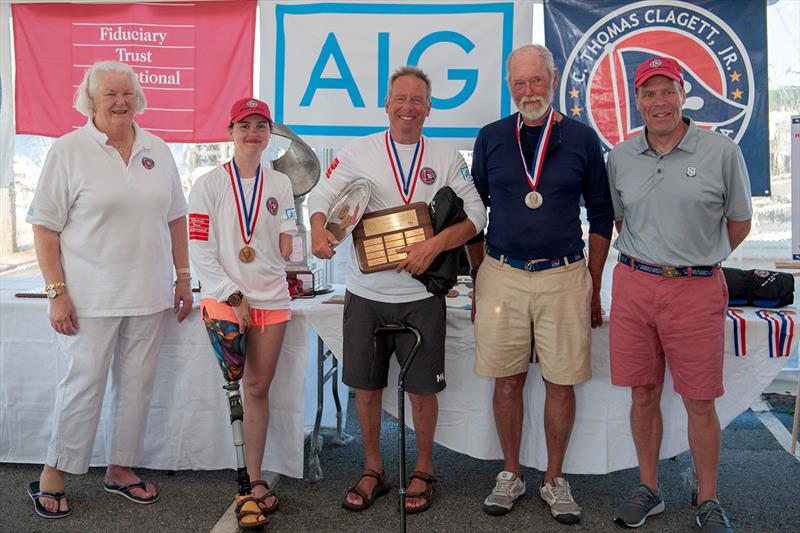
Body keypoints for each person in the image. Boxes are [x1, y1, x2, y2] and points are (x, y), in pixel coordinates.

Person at [308, 66, 486, 514]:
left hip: (422, 296)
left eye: (417, 100)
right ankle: (373, 470)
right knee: (366, 390)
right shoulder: (358, 151)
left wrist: (434, 246)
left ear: (428, 107)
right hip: (366, 292)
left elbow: (477, 216)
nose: (408, 107)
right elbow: (319, 199)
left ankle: (423, 469)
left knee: (423, 390)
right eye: (400, 99)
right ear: (387, 105)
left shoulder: (445, 155)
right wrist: (317, 233)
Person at [25, 60, 192, 518]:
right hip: (89, 298)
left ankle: (120, 469)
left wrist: (182, 276)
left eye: (127, 94)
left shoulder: (157, 148)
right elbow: (44, 228)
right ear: (90, 101)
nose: (120, 102)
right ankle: (52, 476)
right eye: (109, 95)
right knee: (82, 386)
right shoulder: (68, 150)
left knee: (137, 387)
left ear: (138, 99)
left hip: (150, 292)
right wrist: (56, 291)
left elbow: (176, 218)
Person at [470, 44, 613, 524]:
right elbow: (474, 214)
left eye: (537, 81)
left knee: (561, 380)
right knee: (507, 380)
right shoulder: (490, 138)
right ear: (509, 86)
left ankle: (554, 478)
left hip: (565, 274)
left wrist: (592, 284)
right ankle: (511, 473)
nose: (528, 91)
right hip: (502, 274)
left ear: (552, 79)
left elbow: (601, 213)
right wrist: (477, 279)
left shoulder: (582, 138)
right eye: (519, 83)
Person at [607, 57, 751, 533]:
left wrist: (698, 257)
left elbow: (740, 220)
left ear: (683, 93)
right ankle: (649, 489)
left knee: (700, 399)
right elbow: (621, 220)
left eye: (667, 91)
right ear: (638, 101)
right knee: (643, 391)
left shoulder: (721, 151)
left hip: (696, 287)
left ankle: (707, 499)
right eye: (648, 94)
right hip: (634, 283)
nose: (658, 102)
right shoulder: (621, 158)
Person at [188, 97, 297, 528]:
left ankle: (254, 479)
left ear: (270, 134)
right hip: (225, 300)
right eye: (244, 125)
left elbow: (288, 235)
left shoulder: (281, 183)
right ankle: (243, 479)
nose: (252, 133)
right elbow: (200, 249)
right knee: (235, 391)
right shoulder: (208, 183)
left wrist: (288, 248)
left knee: (257, 388)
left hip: (272, 301)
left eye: (260, 126)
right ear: (230, 132)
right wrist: (234, 294)